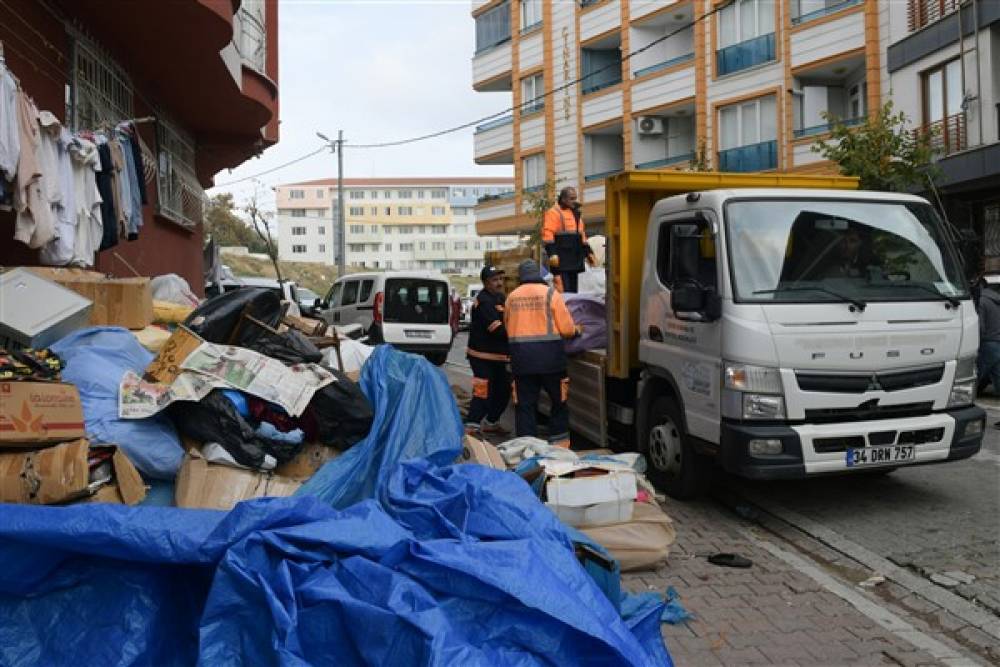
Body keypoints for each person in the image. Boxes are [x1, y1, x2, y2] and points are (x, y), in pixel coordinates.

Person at [504, 259, 582, 448]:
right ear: (538, 274)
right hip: (551, 361)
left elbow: (508, 327)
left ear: (521, 277)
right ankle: (559, 446)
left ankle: (526, 448)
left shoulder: (511, 297)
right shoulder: (550, 294)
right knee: (558, 402)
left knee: (525, 406)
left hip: (522, 362)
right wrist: (577, 330)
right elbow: (566, 329)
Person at [464, 265, 511, 436]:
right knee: (483, 392)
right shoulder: (484, 301)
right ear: (485, 283)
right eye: (494, 280)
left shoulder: (499, 298)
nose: (499, 283)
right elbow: (497, 329)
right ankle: (472, 426)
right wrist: (519, 332)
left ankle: (492, 422)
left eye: (500, 279)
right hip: (482, 357)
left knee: (503, 391)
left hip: (499, 357)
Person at [543, 186, 594, 293]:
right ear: (563, 199)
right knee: (563, 291)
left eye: (575, 198)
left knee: (574, 292)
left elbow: (581, 234)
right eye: (571, 198)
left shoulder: (576, 213)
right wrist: (552, 253)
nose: (574, 201)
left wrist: (588, 252)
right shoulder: (553, 212)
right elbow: (548, 233)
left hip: (575, 260)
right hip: (562, 261)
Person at [977, 281, 1000, 398]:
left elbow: (981, 326)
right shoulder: (997, 301)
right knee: (997, 372)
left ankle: (964, 394)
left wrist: (977, 340)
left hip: (988, 342)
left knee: (978, 370)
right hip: (998, 341)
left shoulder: (982, 301)